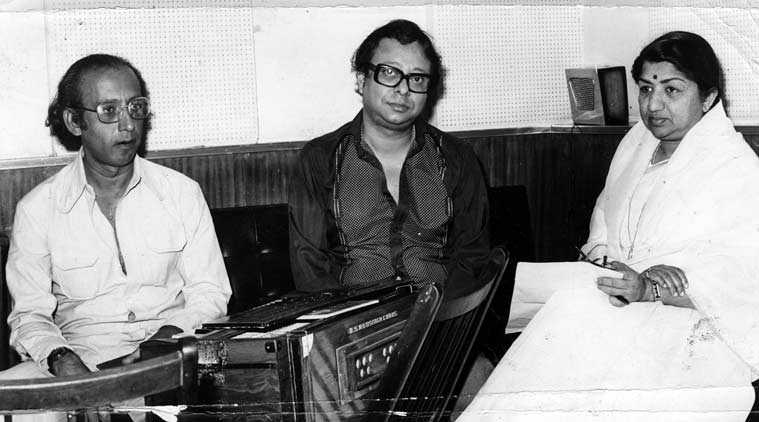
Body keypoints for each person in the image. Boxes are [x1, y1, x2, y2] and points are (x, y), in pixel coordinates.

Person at [464, 31, 759, 421]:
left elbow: (744, 278)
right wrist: (604, 260)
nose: (653, 105)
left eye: (672, 90)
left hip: (690, 326)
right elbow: (605, 217)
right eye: (645, 88)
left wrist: (652, 288)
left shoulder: (736, 168)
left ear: (708, 98)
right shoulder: (638, 142)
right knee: (562, 333)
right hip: (615, 304)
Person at [0, 54, 231, 415]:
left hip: (172, 358)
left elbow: (211, 293)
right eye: (109, 110)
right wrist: (64, 362)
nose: (127, 125)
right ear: (74, 121)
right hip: (84, 364)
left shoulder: (181, 193)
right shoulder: (38, 209)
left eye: (135, 108)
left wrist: (164, 341)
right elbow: (29, 315)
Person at [288, 19, 490, 292]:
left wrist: (438, 313)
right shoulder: (319, 159)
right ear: (362, 80)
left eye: (417, 78)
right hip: (355, 314)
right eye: (389, 73)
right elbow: (310, 269)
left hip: (440, 310)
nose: (403, 89)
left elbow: (472, 259)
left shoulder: (457, 158)